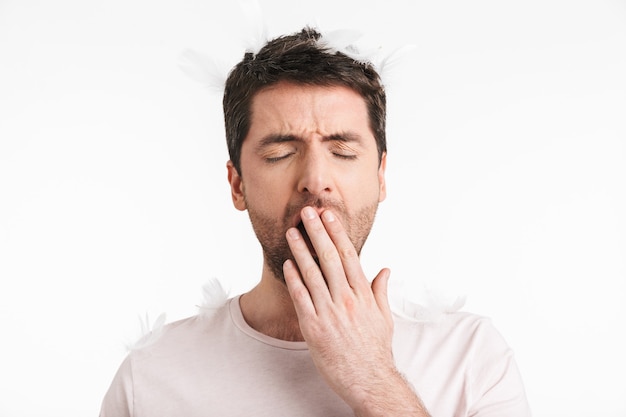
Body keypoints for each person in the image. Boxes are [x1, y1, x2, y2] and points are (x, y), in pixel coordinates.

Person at [100, 27, 531, 416]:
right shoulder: (151, 377)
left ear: (381, 177)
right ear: (237, 185)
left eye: (342, 151)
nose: (316, 181)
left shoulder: (470, 357)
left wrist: (372, 377)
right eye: (279, 154)